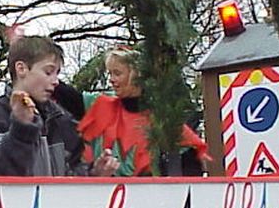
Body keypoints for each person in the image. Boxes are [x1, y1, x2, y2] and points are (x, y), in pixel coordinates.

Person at [0, 35, 117, 176]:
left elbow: (72, 172)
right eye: (48, 72)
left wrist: (94, 173)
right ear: (21, 69)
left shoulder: (61, 120)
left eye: (57, 73)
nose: (55, 81)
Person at [77, 45, 210, 176]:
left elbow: (190, 163)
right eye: (110, 73)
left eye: (117, 73)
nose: (111, 79)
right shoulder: (100, 104)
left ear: (135, 75)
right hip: (108, 192)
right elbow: (63, 94)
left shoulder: (160, 117)